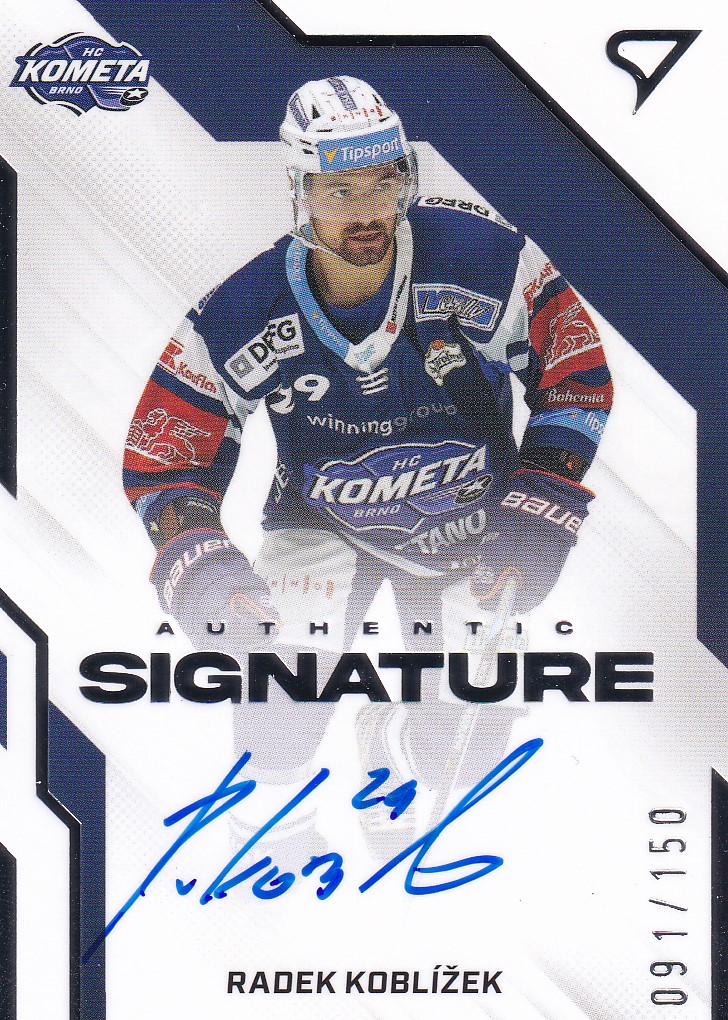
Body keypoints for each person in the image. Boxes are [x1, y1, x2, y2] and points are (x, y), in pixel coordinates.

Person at [123, 76, 612, 854]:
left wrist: (540, 509)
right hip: (320, 523)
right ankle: (274, 838)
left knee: (471, 749)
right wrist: (201, 562)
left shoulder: (485, 259)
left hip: (475, 523)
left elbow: (575, 375)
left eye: (383, 183)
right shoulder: (244, 311)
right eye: (340, 190)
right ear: (299, 190)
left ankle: (398, 735)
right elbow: (165, 457)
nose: (368, 211)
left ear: (405, 178)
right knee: (277, 701)